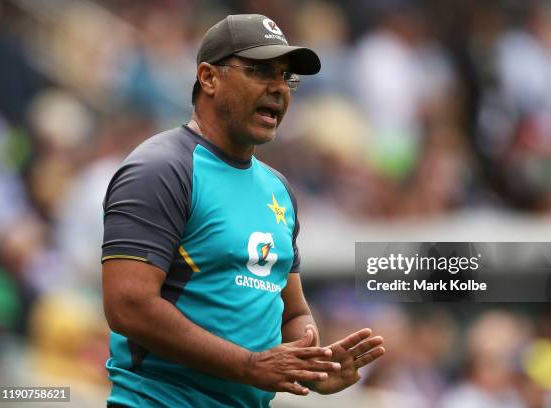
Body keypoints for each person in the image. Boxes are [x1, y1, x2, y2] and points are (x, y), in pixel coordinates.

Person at [101, 14, 385, 408]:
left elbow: (293, 314)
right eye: (260, 71)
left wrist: (312, 364)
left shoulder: (279, 190)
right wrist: (248, 365)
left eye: (287, 77)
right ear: (209, 78)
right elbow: (127, 306)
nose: (278, 88)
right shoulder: (161, 169)